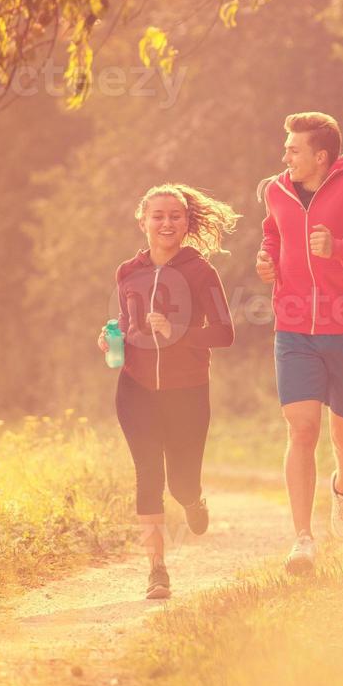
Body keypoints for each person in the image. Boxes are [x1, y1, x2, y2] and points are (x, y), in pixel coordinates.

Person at [254, 112, 343, 574]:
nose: (285, 157)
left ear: (320, 156)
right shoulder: (276, 191)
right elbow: (273, 233)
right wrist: (267, 262)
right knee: (301, 429)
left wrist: (340, 248)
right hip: (294, 328)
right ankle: (302, 539)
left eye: (294, 150)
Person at [98, 184, 238, 599]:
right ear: (142, 221)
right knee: (148, 475)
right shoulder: (127, 271)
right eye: (157, 215)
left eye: (175, 216)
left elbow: (225, 333)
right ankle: (157, 570)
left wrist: (178, 333)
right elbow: (126, 320)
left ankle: (193, 501)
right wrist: (112, 337)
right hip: (136, 388)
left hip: (187, 391)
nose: (166, 223)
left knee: (181, 482)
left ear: (186, 222)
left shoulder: (201, 272)